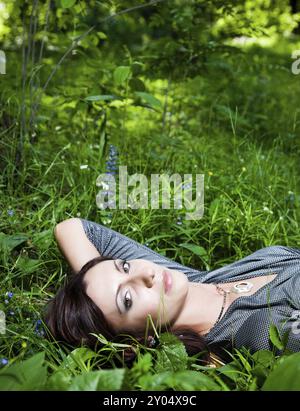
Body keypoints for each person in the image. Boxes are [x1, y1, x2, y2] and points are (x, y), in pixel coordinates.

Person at [44, 217, 300, 367]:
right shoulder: (258, 328)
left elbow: (72, 228)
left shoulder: (188, 281)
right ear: (135, 343)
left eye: (124, 266)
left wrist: (91, 296)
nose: (145, 274)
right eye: (127, 299)